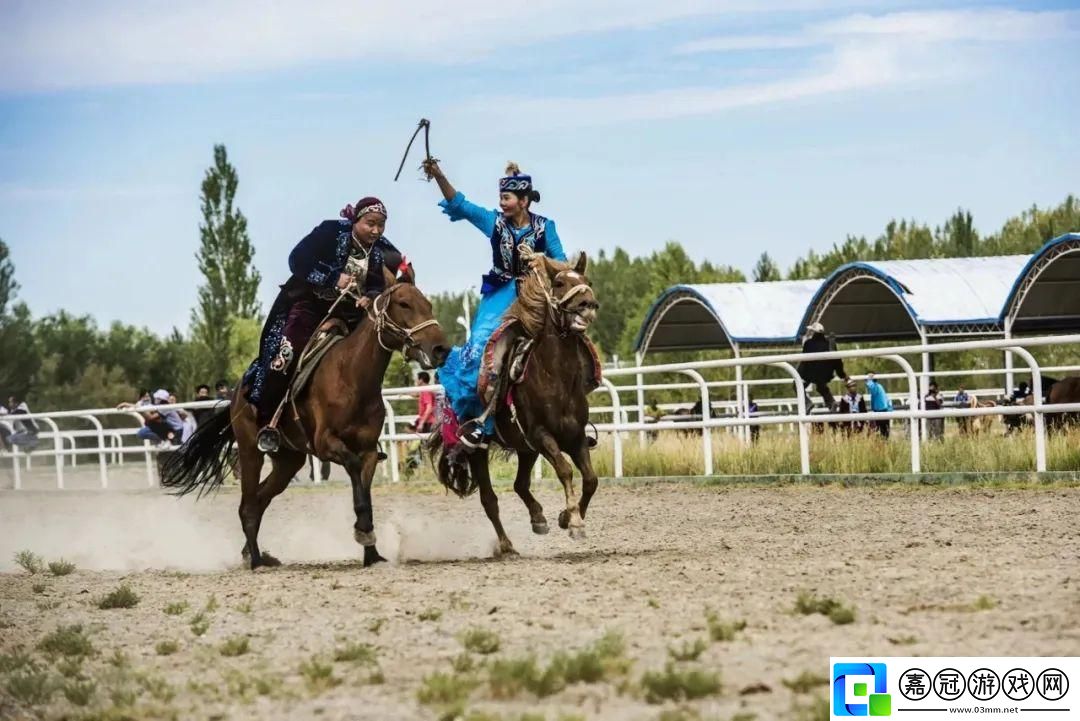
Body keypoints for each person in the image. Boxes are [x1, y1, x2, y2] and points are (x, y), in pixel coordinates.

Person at [243, 196, 407, 453]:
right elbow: (297, 259)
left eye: (381, 225)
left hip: (347, 312)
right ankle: (267, 421)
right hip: (308, 306)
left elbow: (375, 282)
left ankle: (362, 433)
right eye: (370, 223)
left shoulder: (377, 251)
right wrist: (334, 277)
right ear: (356, 220)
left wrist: (371, 296)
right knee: (286, 354)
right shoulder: (330, 231)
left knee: (367, 355)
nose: (376, 231)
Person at [422, 159, 566, 450]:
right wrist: (439, 175)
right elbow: (461, 205)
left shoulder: (545, 227)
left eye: (507, 198)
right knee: (480, 352)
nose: (501, 204)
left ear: (524, 201)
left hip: (536, 296)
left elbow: (562, 264)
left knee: (568, 339)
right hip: (498, 297)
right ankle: (481, 423)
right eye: (501, 198)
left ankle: (572, 415)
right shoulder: (494, 223)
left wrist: (542, 261)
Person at [798, 322, 847, 411]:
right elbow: (837, 361)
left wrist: (799, 373)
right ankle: (831, 402)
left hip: (811, 374)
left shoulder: (808, 344)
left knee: (797, 385)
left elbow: (804, 361)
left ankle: (807, 402)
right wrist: (842, 375)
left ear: (813, 332)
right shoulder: (829, 344)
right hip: (826, 374)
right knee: (821, 386)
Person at [865, 373, 893, 439]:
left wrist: (869, 380)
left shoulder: (876, 387)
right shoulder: (879, 386)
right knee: (883, 432)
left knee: (882, 432)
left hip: (881, 411)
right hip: (882, 410)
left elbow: (872, 388)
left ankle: (881, 445)